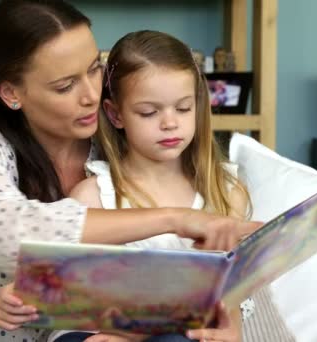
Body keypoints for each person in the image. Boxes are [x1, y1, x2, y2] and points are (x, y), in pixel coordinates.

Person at [0, 1, 261, 341]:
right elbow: (10, 233)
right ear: (11, 92)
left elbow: (209, 279)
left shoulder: (120, 138)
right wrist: (174, 218)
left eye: (94, 69)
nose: (90, 95)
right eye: (65, 86)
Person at [46, 30, 255, 342]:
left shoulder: (225, 193)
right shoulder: (95, 196)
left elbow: (232, 285)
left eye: (183, 108)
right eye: (149, 112)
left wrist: (232, 332)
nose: (169, 122)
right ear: (115, 114)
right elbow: (66, 289)